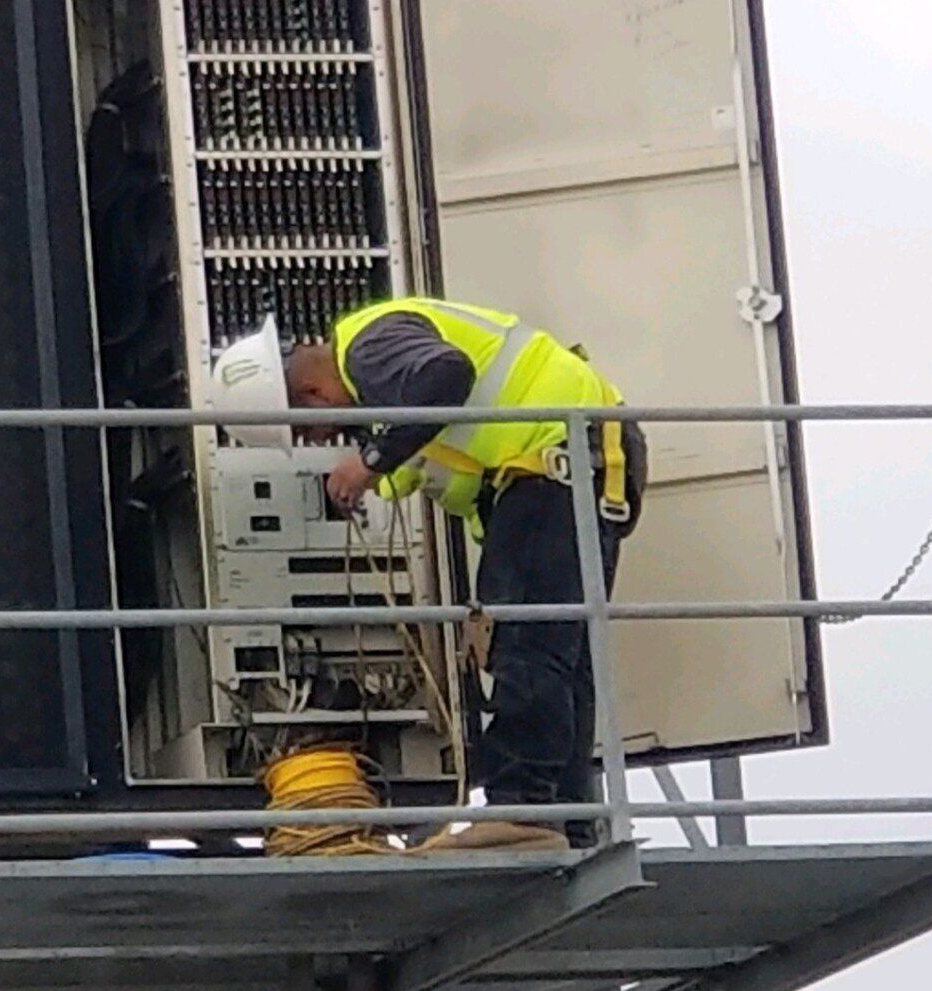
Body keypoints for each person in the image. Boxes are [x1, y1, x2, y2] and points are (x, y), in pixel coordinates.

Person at [217, 297, 647, 850]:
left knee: (526, 645)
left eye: (312, 431)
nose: (321, 441)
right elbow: (451, 441)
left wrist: (371, 461)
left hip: (555, 462)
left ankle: (523, 811)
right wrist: (393, 472)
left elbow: (449, 376)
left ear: (311, 395)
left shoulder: (368, 347)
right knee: (558, 655)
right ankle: (567, 819)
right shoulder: (382, 371)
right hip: (576, 460)